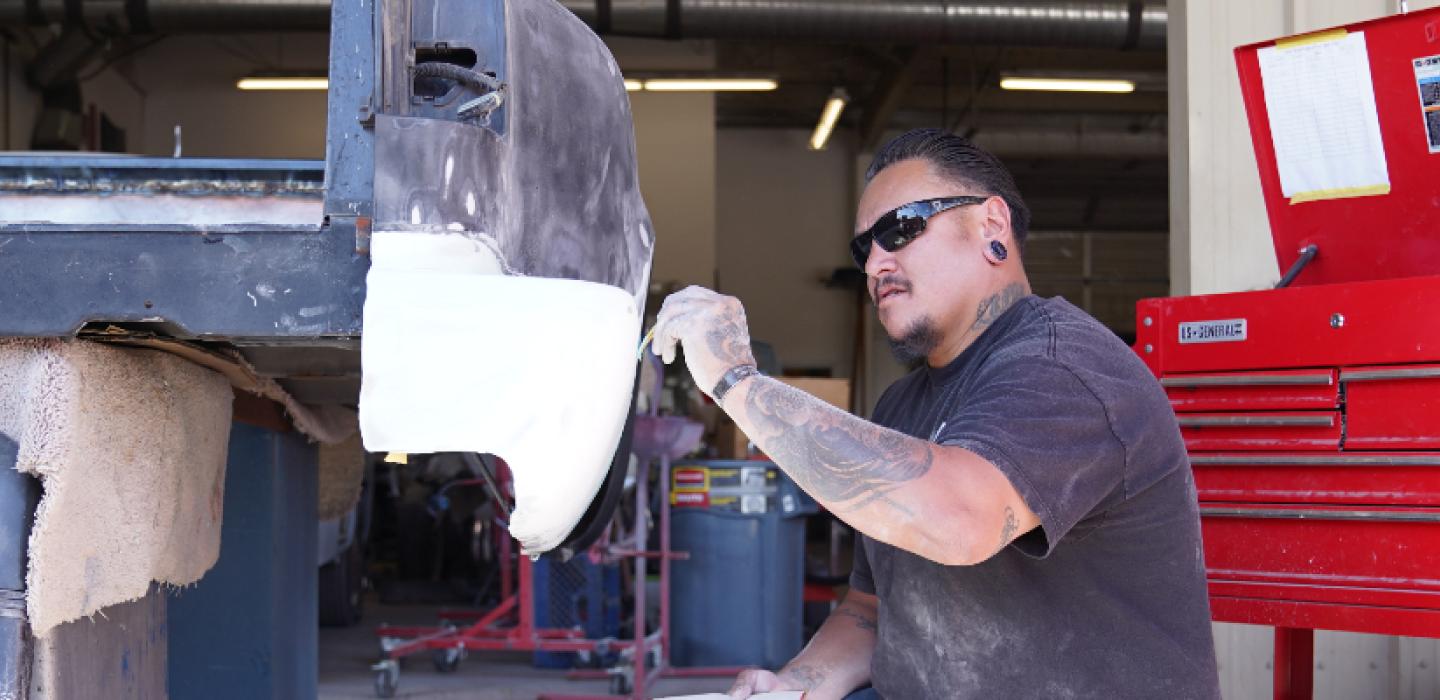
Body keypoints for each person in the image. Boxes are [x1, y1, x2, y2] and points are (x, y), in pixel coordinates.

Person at [648, 129, 1220, 699]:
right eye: (863, 248)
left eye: (900, 229)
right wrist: (795, 685)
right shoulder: (902, 406)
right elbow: (872, 611)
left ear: (991, 228)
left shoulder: (1067, 370)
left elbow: (960, 522)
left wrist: (738, 382)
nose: (875, 263)